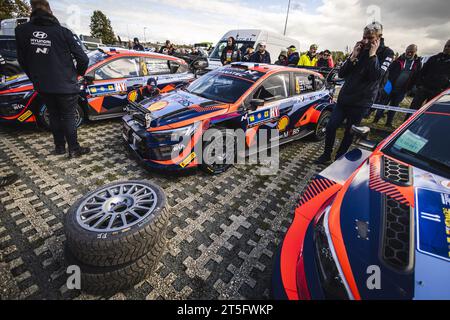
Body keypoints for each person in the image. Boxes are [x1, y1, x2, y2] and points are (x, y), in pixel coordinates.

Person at [15, 0, 90, 158]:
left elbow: (22, 60)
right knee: (68, 116)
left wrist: (35, 78)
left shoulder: (21, 31)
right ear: (50, 10)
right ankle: (74, 149)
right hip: (66, 84)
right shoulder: (63, 32)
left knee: (54, 115)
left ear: (32, 9)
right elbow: (83, 58)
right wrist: (78, 73)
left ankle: (60, 148)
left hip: (43, 85)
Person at [316, 22, 390, 164]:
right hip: (345, 97)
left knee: (349, 132)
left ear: (379, 37)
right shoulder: (360, 47)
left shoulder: (387, 53)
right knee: (331, 126)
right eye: (364, 37)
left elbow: (375, 76)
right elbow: (343, 73)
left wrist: (373, 55)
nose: (366, 41)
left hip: (362, 101)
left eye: (370, 38)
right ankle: (326, 154)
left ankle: (339, 158)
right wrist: (352, 57)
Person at [373, 44, 421, 127]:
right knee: (383, 103)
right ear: (405, 50)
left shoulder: (417, 63)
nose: (409, 53)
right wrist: (386, 84)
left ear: (415, 52)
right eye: (408, 51)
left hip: (402, 90)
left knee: (394, 106)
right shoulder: (398, 60)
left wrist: (410, 88)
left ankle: (388, 123)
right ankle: (375, 120)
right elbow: (388, 71)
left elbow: (417, 76)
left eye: (411, 52)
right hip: (390, 86)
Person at [409, 40, 450, 113]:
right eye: (445, 46)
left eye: (449, 46)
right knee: (413, 108)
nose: (446, 48)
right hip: (423, 89)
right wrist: (419, 85)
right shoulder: (434, 58)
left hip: (437, 93)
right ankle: (406, 123)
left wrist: (443, 91)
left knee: (428, 112)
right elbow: (422, 72)